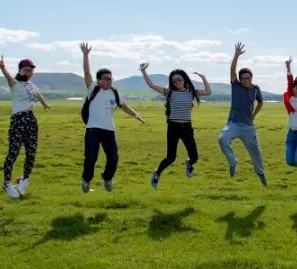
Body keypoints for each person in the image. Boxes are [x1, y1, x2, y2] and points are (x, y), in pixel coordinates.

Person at [79, 42, 144, 193]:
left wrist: (135, 114)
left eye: (111, 78)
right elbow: (87, 73)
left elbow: (124, 106)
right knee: (90, 158)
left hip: (109, 131)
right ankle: (86, 180)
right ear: (99, 80)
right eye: (106, 78)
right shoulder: (93, 89)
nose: (109, 81)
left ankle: (107, 178)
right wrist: (86, 55)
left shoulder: (114, 92)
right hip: (93, 130)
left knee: (113, 158)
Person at [140, 62, 211, 189]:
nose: (177, 82)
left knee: (194, 157)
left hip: (187, 128)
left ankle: (189, 163)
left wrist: (203, 77)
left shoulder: (191, 92)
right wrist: (143, 71)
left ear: (184, 80)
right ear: (172, 82)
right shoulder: (169, 93)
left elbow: (208, 92)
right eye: (174, 80)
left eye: (179, 79)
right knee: (171, 157)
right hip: (173, 128)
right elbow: (151, 85)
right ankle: (156, 173)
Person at [0, 56, 50, 199]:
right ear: (20, 70)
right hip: (18, 120)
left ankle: (24, 179)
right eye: (26, 70)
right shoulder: (15, 84)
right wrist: (3, 68)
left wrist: (45, 105)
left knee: (31, 152)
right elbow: (8, 78)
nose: (28, 72)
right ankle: (7, 183)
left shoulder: (31, 85)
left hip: (31, 119)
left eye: (30, 70)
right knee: (13, 152)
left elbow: (38, 94)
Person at [218, 42, 267, 185]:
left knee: (255, 152)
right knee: (222, 140)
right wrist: (236, 55)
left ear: (252, 77)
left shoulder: (256, 89)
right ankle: (233, 162)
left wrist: (253, 115)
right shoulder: (236, 86)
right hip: (233, 124)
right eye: (243, 78)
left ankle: (261, 173)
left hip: (248, 126)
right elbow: (232, 70)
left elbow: (261, 102)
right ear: (240, 79)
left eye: (248, 77)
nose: (246, 80)